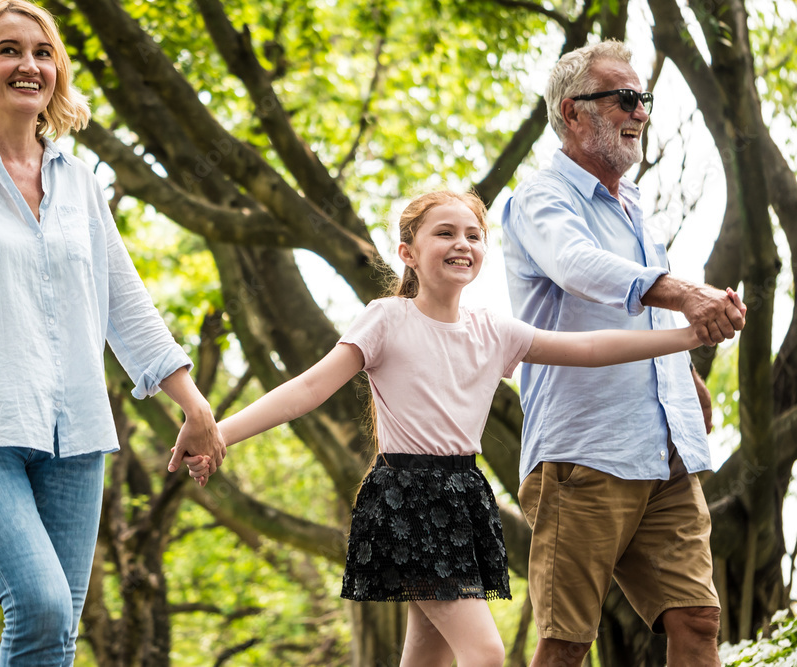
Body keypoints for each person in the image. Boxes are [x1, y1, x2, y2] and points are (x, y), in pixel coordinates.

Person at [170, 189, 718, 667]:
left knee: (427, 656)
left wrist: (688, 337)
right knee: (484, 653)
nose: (463, 243)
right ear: (407, 253)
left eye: (474, 235)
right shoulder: (387, 319)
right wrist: (218, 431)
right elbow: (308, 390)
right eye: (445, 233)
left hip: (463, 498)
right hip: (407, 498)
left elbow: (593, 347)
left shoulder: (494, 330)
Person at [0, 1, 225, 664]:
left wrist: (193, 404)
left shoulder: (79, 183)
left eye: (42, 52)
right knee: (41, 604)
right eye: (8, 50)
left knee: (56, 630)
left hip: (75, 435)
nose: (28, 64)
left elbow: (126, 303)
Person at [501, 41, 747, 667]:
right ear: (573, 112)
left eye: (644, 99)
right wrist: (688, 292)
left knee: (696, 618)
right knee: (565, 642)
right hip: (585, 453)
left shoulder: (634, 203)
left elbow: (646, 302)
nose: (640, 111)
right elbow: (581, 267)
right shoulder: (540, 198)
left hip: (664, 450)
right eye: (625, 98)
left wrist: (685, 374)